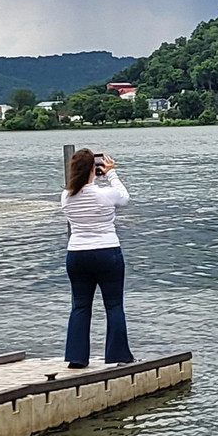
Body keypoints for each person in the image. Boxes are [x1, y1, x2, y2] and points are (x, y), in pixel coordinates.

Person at [61, 148, 136, 369]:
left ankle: (76, 357)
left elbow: (80, 189)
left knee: (80, 306)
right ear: (94, 169)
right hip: (106, 251)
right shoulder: (104, 194)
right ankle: (118, 355)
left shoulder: (66, 196)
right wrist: (111, 173)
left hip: (77, 253)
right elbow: (124, 198)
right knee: (114, 305)